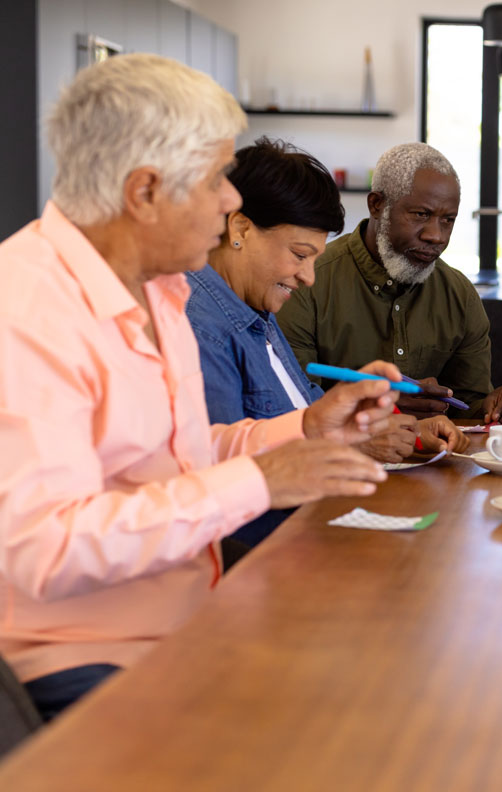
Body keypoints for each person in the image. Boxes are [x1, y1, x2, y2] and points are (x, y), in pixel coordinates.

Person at [0, 54, 402, 720]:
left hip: (187, 615)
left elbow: (176, 456)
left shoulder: (161, 288)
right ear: (145, 192)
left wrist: (303, 430)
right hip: (84, 660)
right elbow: (50, 546)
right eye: (217, 178)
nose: (233, 201)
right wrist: (261, 483)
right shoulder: (28, 307)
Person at [186, 137, 467, 547]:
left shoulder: (255, 312)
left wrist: (389, 429)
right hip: (270, 554)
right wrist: (356, 445)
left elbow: (300, 412)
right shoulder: (202, 327)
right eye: (299, 255)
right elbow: (224, 476)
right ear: (240, 228)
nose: (308, 278)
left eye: (315, 259)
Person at [276, 143, 502, 424]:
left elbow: (467, 405)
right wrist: (379, 407)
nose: (436, 236)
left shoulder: (459, 295)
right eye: (421, 215)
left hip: (433, 465)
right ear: (377, 205)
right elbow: (290, 404)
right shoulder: (306, 282)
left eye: (448, 220)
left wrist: (495, 409)